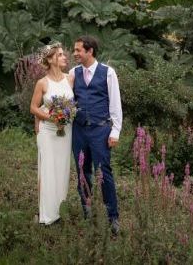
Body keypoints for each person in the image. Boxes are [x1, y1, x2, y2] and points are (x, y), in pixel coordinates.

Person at [69, 35, 123, 235]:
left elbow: (115, 104)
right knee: (82, 171)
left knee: (104, 173)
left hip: (101, 130)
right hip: (79, 130)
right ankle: (88, 212)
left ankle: (113, 217)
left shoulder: (108, 73)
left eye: (78, 50)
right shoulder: (73, 73)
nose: (74, 54)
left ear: (89, 51)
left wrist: (115, 131)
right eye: (74, 50)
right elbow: (67, 99)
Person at [30, 42, 73, 225]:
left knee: (62, 169)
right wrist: (48, 118)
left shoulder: (70, 78)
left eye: (64, 54)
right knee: (47, 170)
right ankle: (46, 215)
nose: (65, 57)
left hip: (66, 131)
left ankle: (58, 211)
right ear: (50, 59)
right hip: (47, 132)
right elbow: (33, 107)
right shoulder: (42, 83)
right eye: (61, 55)